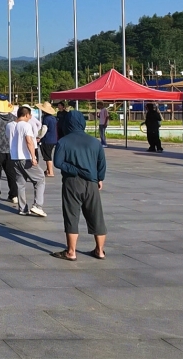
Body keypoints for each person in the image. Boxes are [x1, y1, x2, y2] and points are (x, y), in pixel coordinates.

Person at [51, 110, 107, 261]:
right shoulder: (94, 142)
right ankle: (100, 251)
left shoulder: (63, 141)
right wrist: (99, 178)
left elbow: (58, 162)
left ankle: (71, 252)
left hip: (72, 182)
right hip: (92, 183)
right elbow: (101, 163)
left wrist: (73, 170)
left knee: (71, 216)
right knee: (96, 216)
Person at [7, 106, 45, 217]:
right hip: (25, 157)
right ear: (26, 115)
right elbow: (29, 141)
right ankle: (37, 206)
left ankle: (23, 208)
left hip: (15, 157)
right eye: (30, 115)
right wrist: (33, 156)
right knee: (40, 179)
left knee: (20, 184)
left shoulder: (12, 125)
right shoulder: (26, 125)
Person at [38, 102, 59, 177]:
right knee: (48, 154)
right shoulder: (53, 118)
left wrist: (39, 136)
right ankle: (48, 170)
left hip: (47, 139)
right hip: (53, 139)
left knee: (47, 156)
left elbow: (44, 129)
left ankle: (50, 171)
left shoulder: (46, 118)